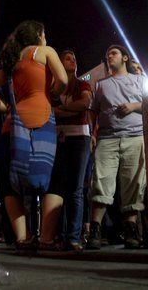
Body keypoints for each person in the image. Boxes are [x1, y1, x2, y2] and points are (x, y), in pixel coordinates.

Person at [0, 21, 68, 252]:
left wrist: (4, 107)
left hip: (13, 125)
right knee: (53, 179)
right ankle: (46, 239)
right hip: (42, 121)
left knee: (11, 184)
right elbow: (63, 81)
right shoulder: (45, 52)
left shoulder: (12, 60)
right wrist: (52, 94)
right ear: (39, 35)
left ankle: (23, 238)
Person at [87, 45, 146, 249]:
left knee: (133, 183)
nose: (108, 57)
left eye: (113, 53)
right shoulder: (101, 85)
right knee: (101, 182)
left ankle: (131, 231)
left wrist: (133, 106)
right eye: (107, 54)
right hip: (107, 138)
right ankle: (95, 230)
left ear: (125, 58)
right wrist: (91, 134)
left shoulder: (139, 80)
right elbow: (93, 111)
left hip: (135, 137)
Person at [49, 50, 93, 251]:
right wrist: (69, 110)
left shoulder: (83, 84)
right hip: (58, 138)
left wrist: (61, 111)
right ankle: (58, 235)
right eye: (68, 58)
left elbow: (85, 103)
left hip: (79, 137)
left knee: (75, 188)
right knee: (57, 187)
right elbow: (49, 109)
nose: (73, 60)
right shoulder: (53, 86)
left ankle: (73, 237)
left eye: (75, 58)